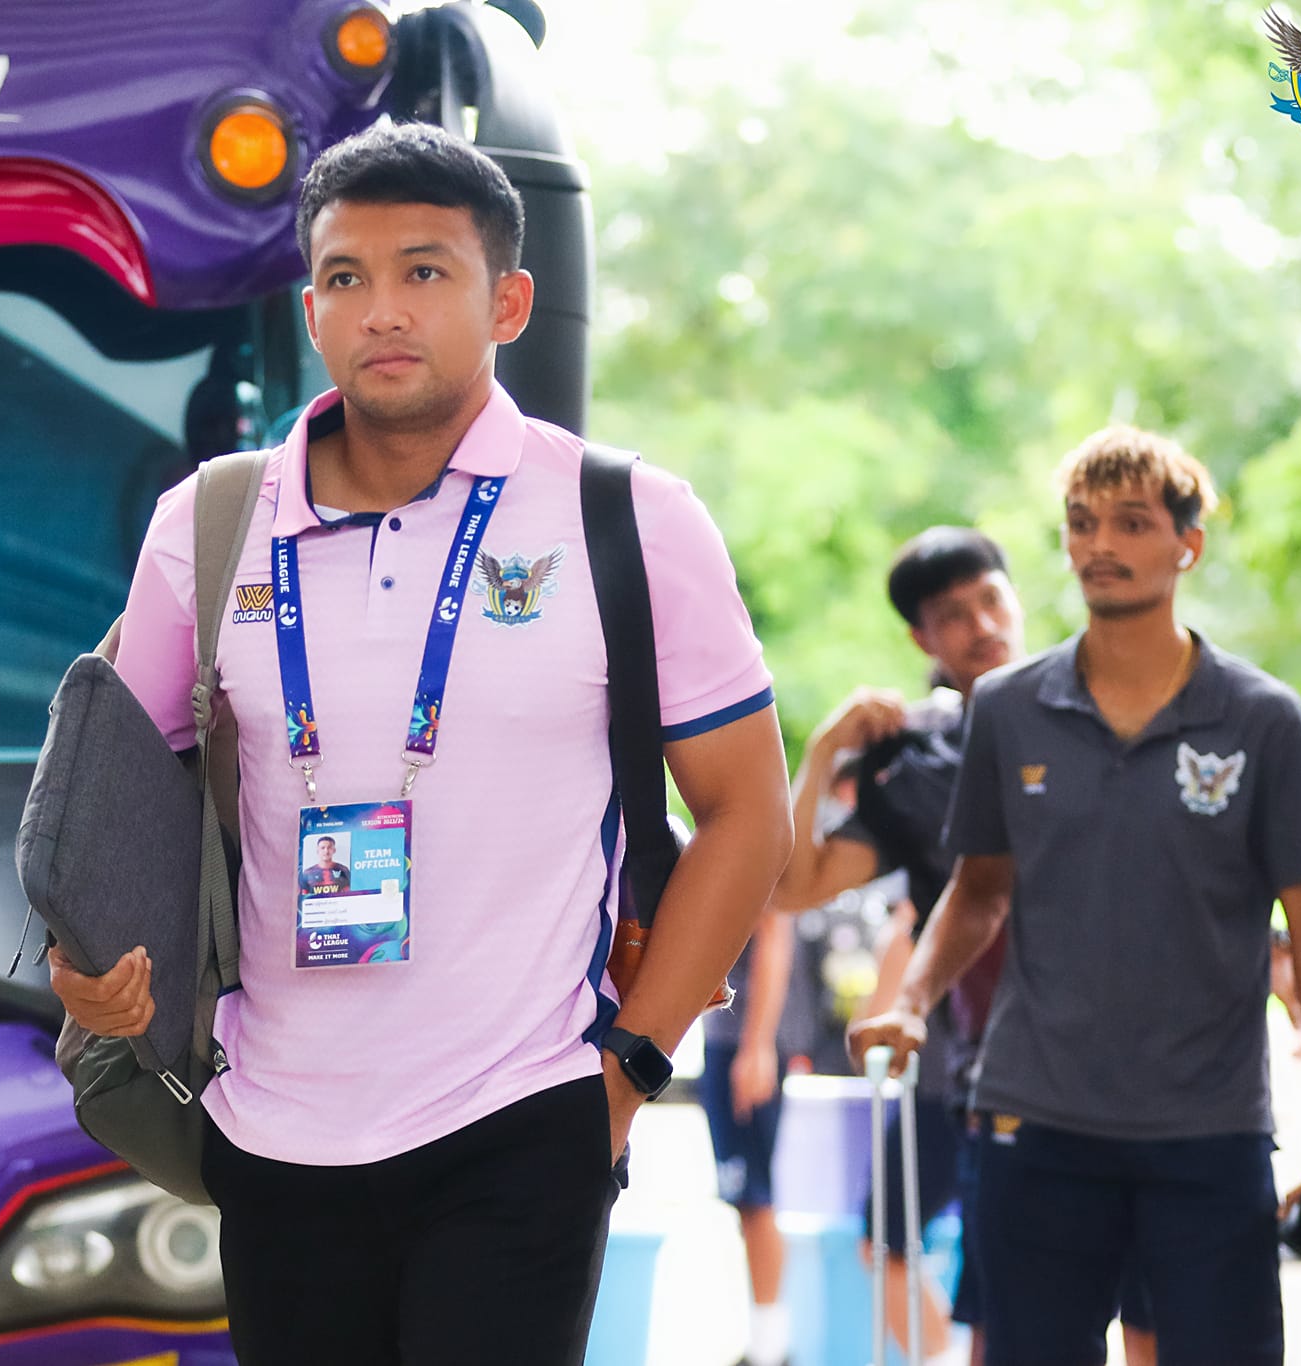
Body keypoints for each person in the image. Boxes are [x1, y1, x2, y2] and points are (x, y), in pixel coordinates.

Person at [49, 120, 794, 1366]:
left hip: (522, 1114)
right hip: (271, 1124)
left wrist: (628, 1069)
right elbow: (111, 807)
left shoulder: (627, 516)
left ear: (508, 302)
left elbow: (747, 813)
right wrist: (85, 969)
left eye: (424, 271)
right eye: (345, 277)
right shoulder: (210, 522)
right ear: (310, 312)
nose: (381, 309)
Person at [851, 426, 1301, 1366]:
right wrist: (912, 1001)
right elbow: (978, 891)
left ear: (1188, 544)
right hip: (1034, 1127)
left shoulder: (1263, 719)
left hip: (1210, 1136)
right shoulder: (1009, 708)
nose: (1100, 544)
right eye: (1081, 522)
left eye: (1132, 523)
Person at [772, 527, 1026, 1365]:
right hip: (970, 1069)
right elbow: (791, 887)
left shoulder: (1080, 718)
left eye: (991, 600)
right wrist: (823, 752)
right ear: (922, 639)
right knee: (948, 1273)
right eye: (954, 615)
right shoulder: (917, 765)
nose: (982, 625)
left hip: (1099, 1062)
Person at [698, 912, 796, 1366]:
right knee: (745, 1199)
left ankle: (769, 1350)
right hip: (727, 1040)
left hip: (743, 1044)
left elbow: (775, 931)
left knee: (756, 1198)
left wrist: (757, 1046)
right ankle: (764, 1343)